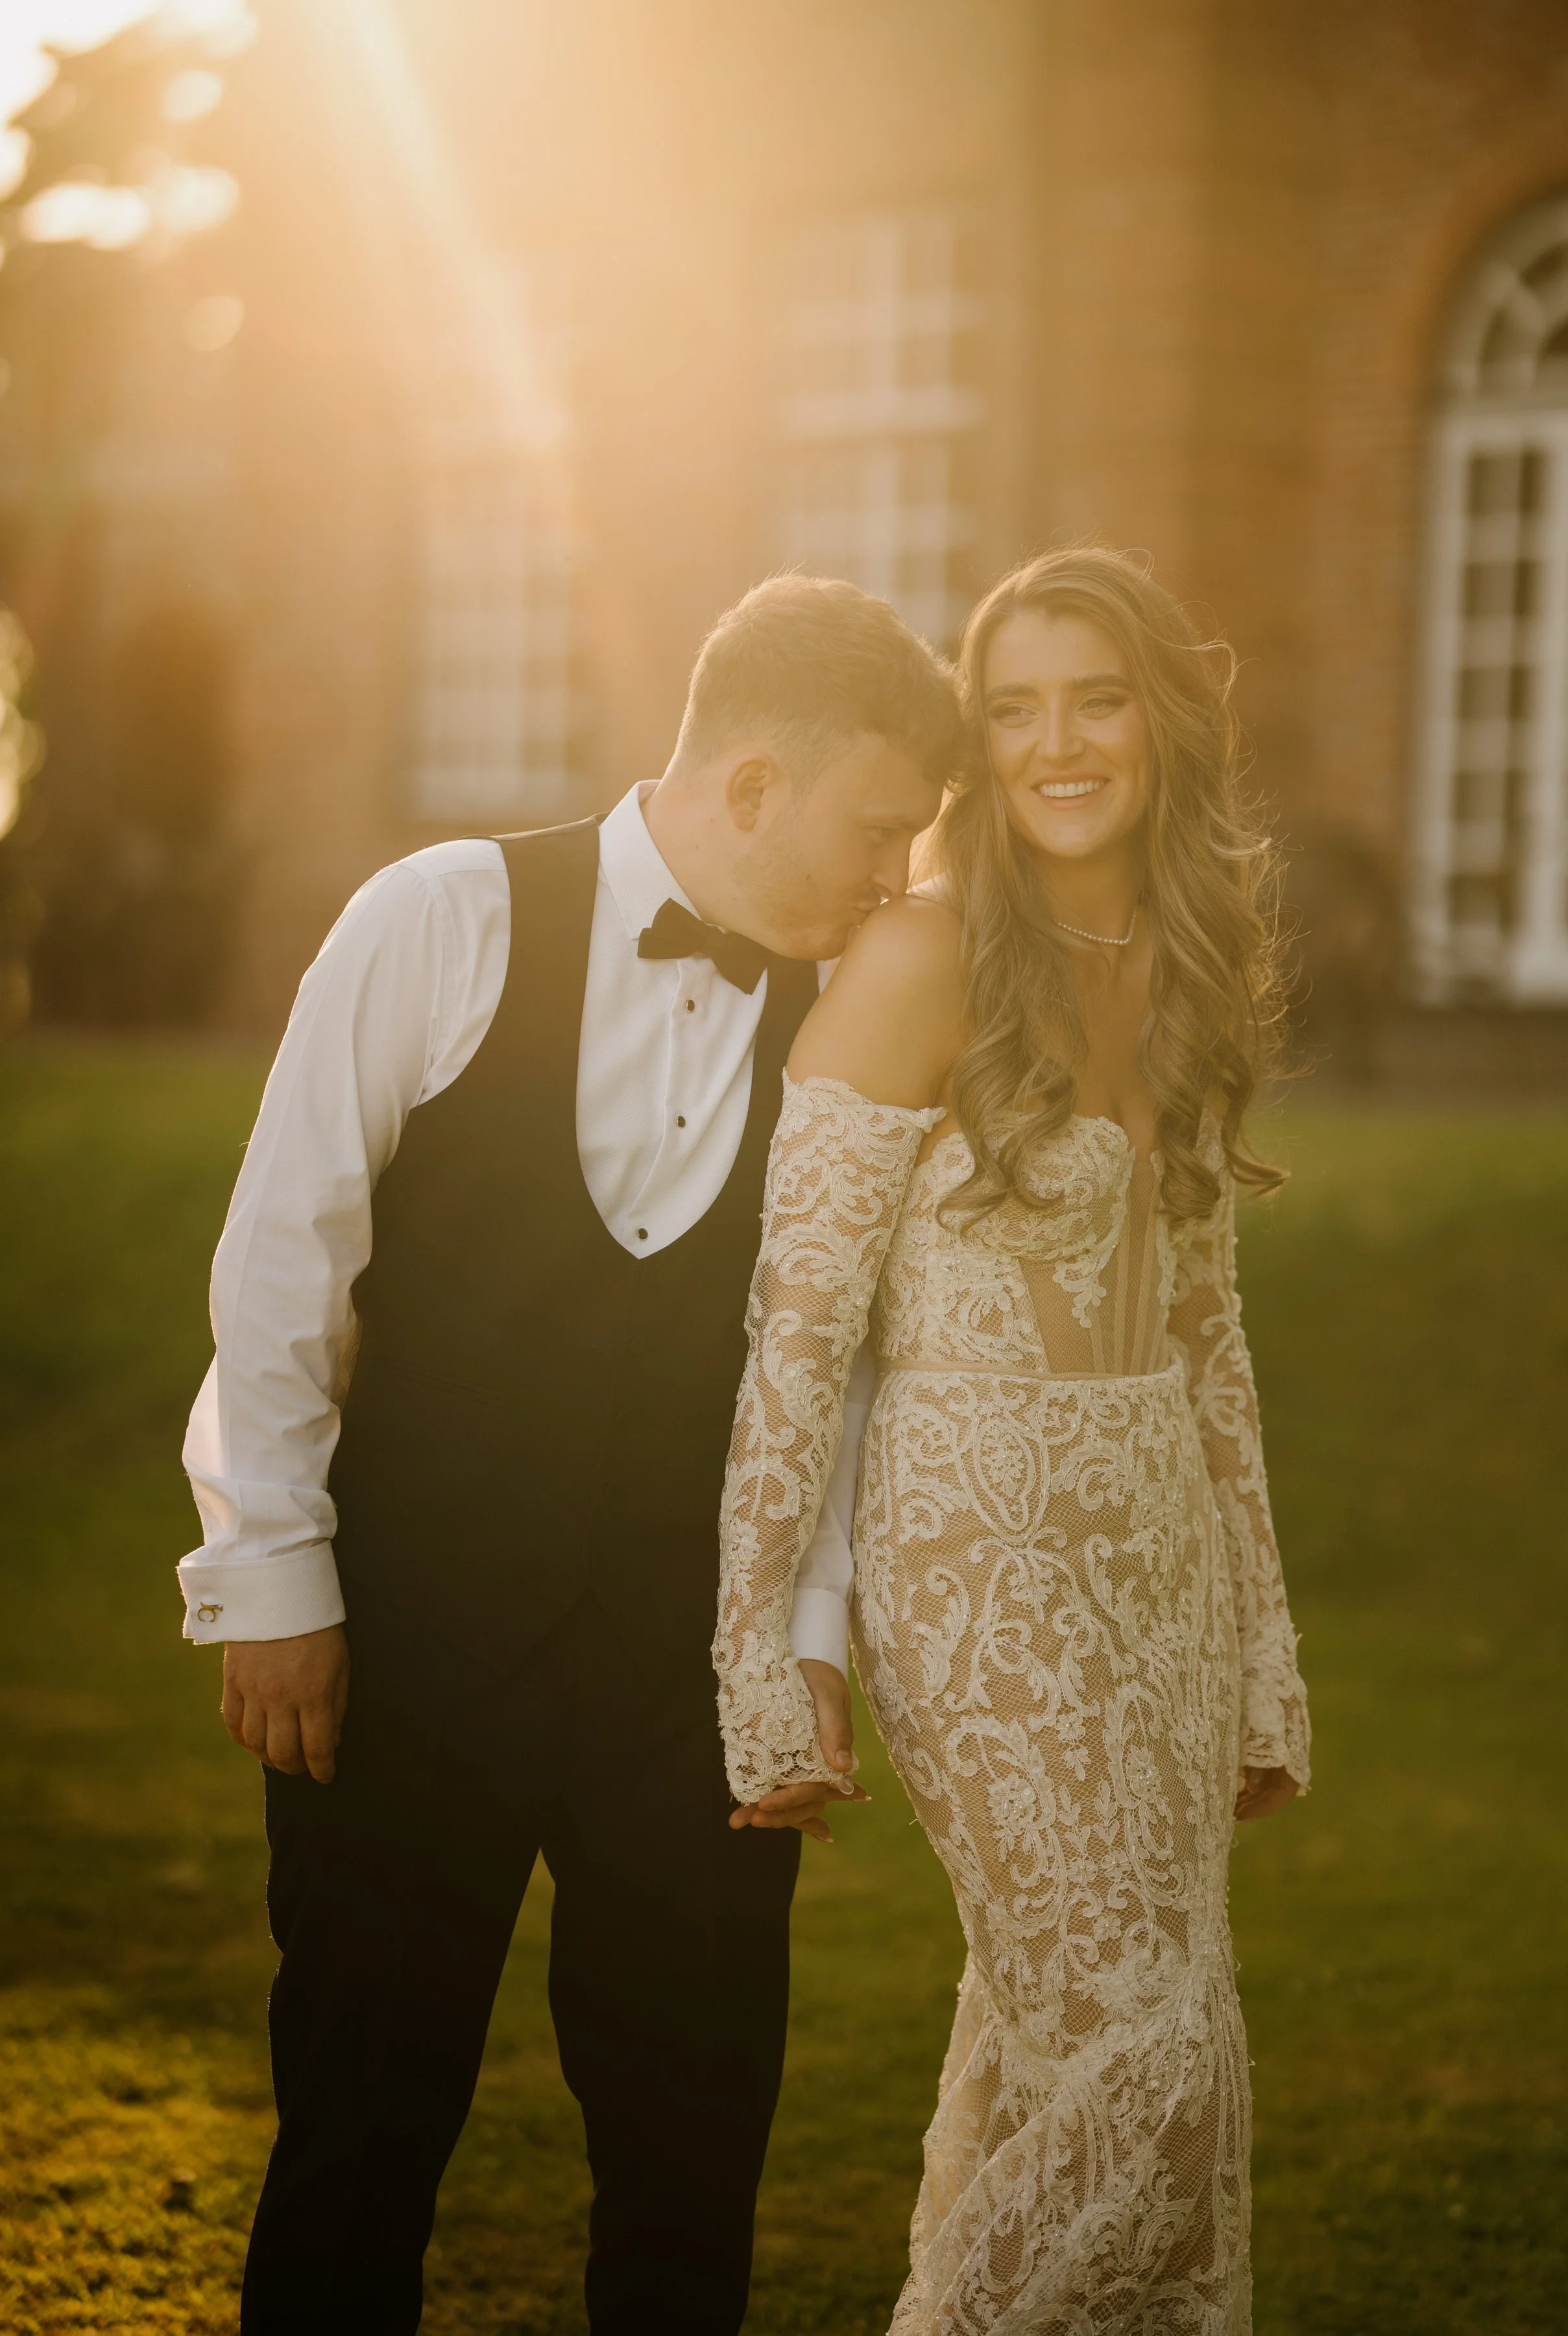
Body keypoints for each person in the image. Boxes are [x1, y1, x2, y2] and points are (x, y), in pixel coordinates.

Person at [175, 573, 960, 2336]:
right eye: (879, 830)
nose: (898, 880)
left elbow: (834, 1367)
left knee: (691, 2169)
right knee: (356, 2149)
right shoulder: (437, 917)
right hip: (401, 1661)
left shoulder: (855, 1023)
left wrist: (801, 1645)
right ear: (751, 784)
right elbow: (282, 1257)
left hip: (686, 1695)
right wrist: (271, 1574)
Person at [714, 547, 1311, 2333]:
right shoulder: (914, 959)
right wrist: (764, 1655)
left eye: (1097, 695)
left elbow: (1209, 1341)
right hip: (976, 1552)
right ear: (974, 744)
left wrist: (1264, 1643)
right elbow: (793, 1338)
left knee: (1083, 2049)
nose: (1059, 741)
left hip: (1163, 1560)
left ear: (1159, 722)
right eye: (1013, 705)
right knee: (1150, 2056)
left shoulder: (1187, 966)